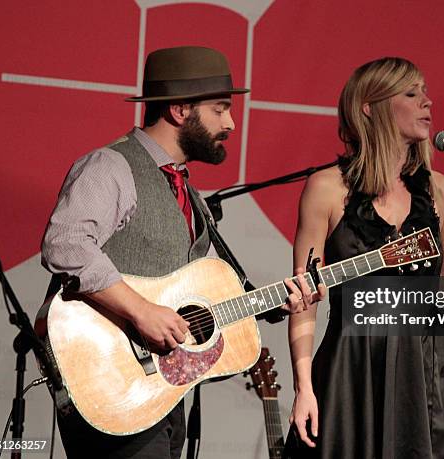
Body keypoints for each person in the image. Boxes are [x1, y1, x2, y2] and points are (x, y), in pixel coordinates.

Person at [40, 46, 320, 459]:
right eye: (220, 109)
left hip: (161, 393)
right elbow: (65, 243)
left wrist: (279, 303)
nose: (231, 122)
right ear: (179, 110)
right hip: (110, 382)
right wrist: (141, 311)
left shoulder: (186, 191)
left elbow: (189, 298)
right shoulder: (111, 166)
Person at [284, 57, 444, 458]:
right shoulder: (326, 188)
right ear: (370, 106)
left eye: (426, 92)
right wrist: (304, 387)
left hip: (425, 378)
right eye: (411, 94)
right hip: (352, 371)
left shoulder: (441, 191)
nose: (427, 103)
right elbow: (304, 300)